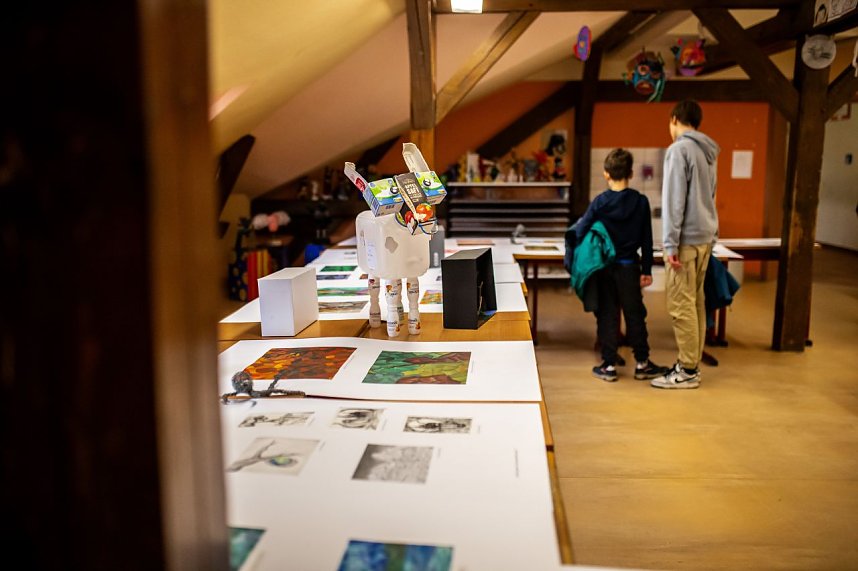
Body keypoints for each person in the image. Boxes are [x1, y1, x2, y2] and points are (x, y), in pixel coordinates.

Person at [575, 148, 668, 382]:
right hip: (630, 267)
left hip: (605, 269)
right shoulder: (640, 202)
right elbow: (647, 239)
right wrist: (647, 270)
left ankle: (608, 365)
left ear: (607, 174)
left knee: (607, 315)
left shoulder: (599, 203)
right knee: (635, 314)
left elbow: (581, 231)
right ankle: (642, 363)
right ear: (631, 173)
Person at [652, 99, 720, 390]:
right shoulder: (708, 152)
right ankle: (690, 363)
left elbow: (674, 200)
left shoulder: (679, 149)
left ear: (675, 119)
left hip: (685, 241)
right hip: (705, 237)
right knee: (696, 302)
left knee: (681, 305)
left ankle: (688, 369)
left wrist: (669, 244)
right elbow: (711, 194)